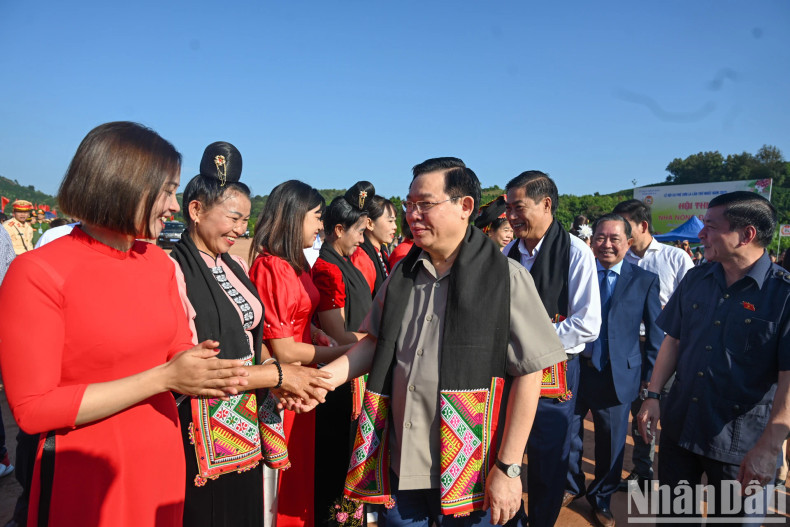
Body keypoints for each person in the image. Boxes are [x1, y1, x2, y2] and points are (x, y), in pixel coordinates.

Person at [290, 157, 567, 526]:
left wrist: (509, 467)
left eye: (425, 204)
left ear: (465, 206)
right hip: (401, 461)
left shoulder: (506, 279)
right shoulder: (403, 276)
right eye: (409, 204)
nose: (412, 215)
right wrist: (321, 382)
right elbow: (375, 343)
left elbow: (531, 372)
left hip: (472, 470)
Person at [0, 121, 250, 527]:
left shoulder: (157, 264)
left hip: (162, 461)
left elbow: (175, 345)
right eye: (167, 190)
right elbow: (33, 409)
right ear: (125, 183)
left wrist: (203, 366)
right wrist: (165, 378)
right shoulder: (39, 271)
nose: (173, 206)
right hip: (89, 475)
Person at [171, 142, 332, 527]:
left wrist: (272, 370)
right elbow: (192, 363)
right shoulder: (172, 269)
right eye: (233, 218)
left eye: (245, 220)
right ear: (195, 210)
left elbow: (253, 337)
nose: (241, 229)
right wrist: (279, 374)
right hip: (200, 427)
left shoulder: (236, 265)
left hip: (243, 420)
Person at [638, 191, 789, 523]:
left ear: (746, 234)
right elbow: (672, 341)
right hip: (680, 430)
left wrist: (769, 448)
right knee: (676, 518)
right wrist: (652, 396)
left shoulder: (783, 295)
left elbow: (788, 378)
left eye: (710, 226)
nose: (700, 235)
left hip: (741, 445)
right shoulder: (696, 278)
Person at [249, 180, 353, 527]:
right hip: (287, 386)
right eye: (316, 217)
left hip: (304, 380)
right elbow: (284, 347)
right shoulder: (273, 267)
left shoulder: (294, 264)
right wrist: (347, 352)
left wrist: (319, 333)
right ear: (294, 217)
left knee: (304, 478)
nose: (320, 225)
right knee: (287, 485)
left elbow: (299, 321)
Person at [503, 171, 601, 527]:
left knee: (548, 456)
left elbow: (586, 324)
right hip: (511, 370)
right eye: (508, 208)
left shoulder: (575, 252)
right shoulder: (507, 252)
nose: (511, 216)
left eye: (519, 207)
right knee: (508, 450)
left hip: (554, 373)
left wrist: (530, 341)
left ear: (546, 204)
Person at [564, 214, 662, 527]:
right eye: (600, 238)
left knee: (611, 444)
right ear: (591, 241)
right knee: (567, 434)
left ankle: (601, 498)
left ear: (629, 243)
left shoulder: (643, 279)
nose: (606, 245)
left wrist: (650, 382)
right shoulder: (578, 274)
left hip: (618, 375)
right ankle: (570, 484)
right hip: (576, 369)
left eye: (614, 239)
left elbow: (656, 337)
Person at [610, 198, 694, 489]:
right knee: (639, 410)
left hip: (667, 346)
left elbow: (689, 307)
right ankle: (642, 471)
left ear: (643, 225)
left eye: (626, 226)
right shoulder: (620, 260)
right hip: (630, 345)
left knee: (665, 408)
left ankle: (676, 472)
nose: (620, 232)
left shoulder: (676, 258)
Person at [311, 181, 374, 526]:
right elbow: (336, 333)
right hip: (340, 377)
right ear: (339, 230)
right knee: (338, 464)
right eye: (358, 232)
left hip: (354, 369)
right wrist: (374, 344)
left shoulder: (345, 262)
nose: (362, 239)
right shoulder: (327, 269)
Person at [351, 195, 396, 296]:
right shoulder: (361, 257)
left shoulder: (381, 252)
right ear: (370, 223)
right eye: (390, 221)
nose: (395, 227)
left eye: (395, 221)